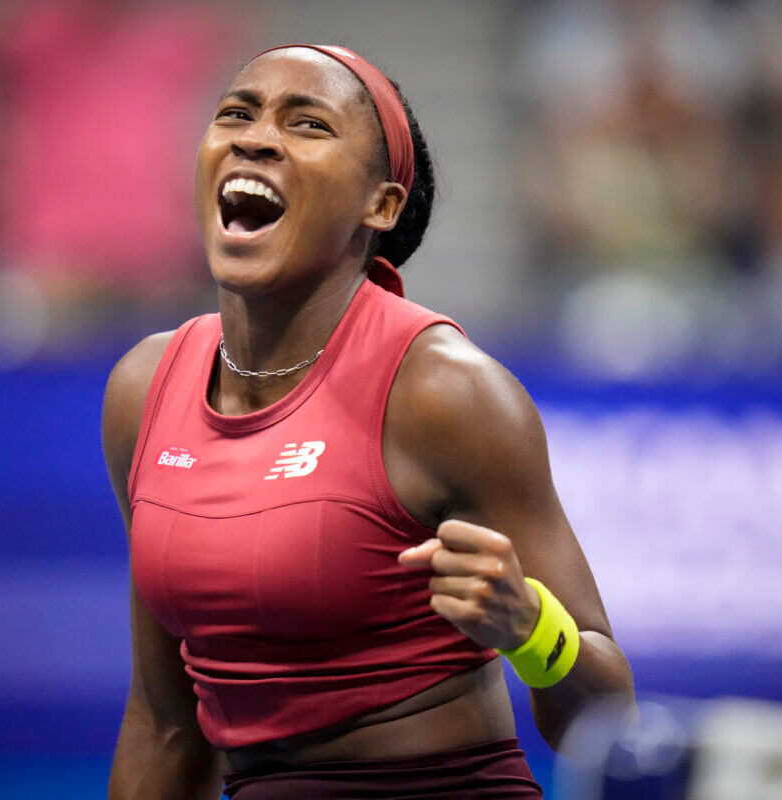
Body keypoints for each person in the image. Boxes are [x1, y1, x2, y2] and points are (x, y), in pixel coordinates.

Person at [101, 44, 634, 799]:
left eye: (308, 124)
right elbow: (163, 721)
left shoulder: (446, 394)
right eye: (236, 113)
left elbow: (611, 718)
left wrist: (531, 627)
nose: (255, 138)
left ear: (379, 205)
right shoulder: (143, 389)